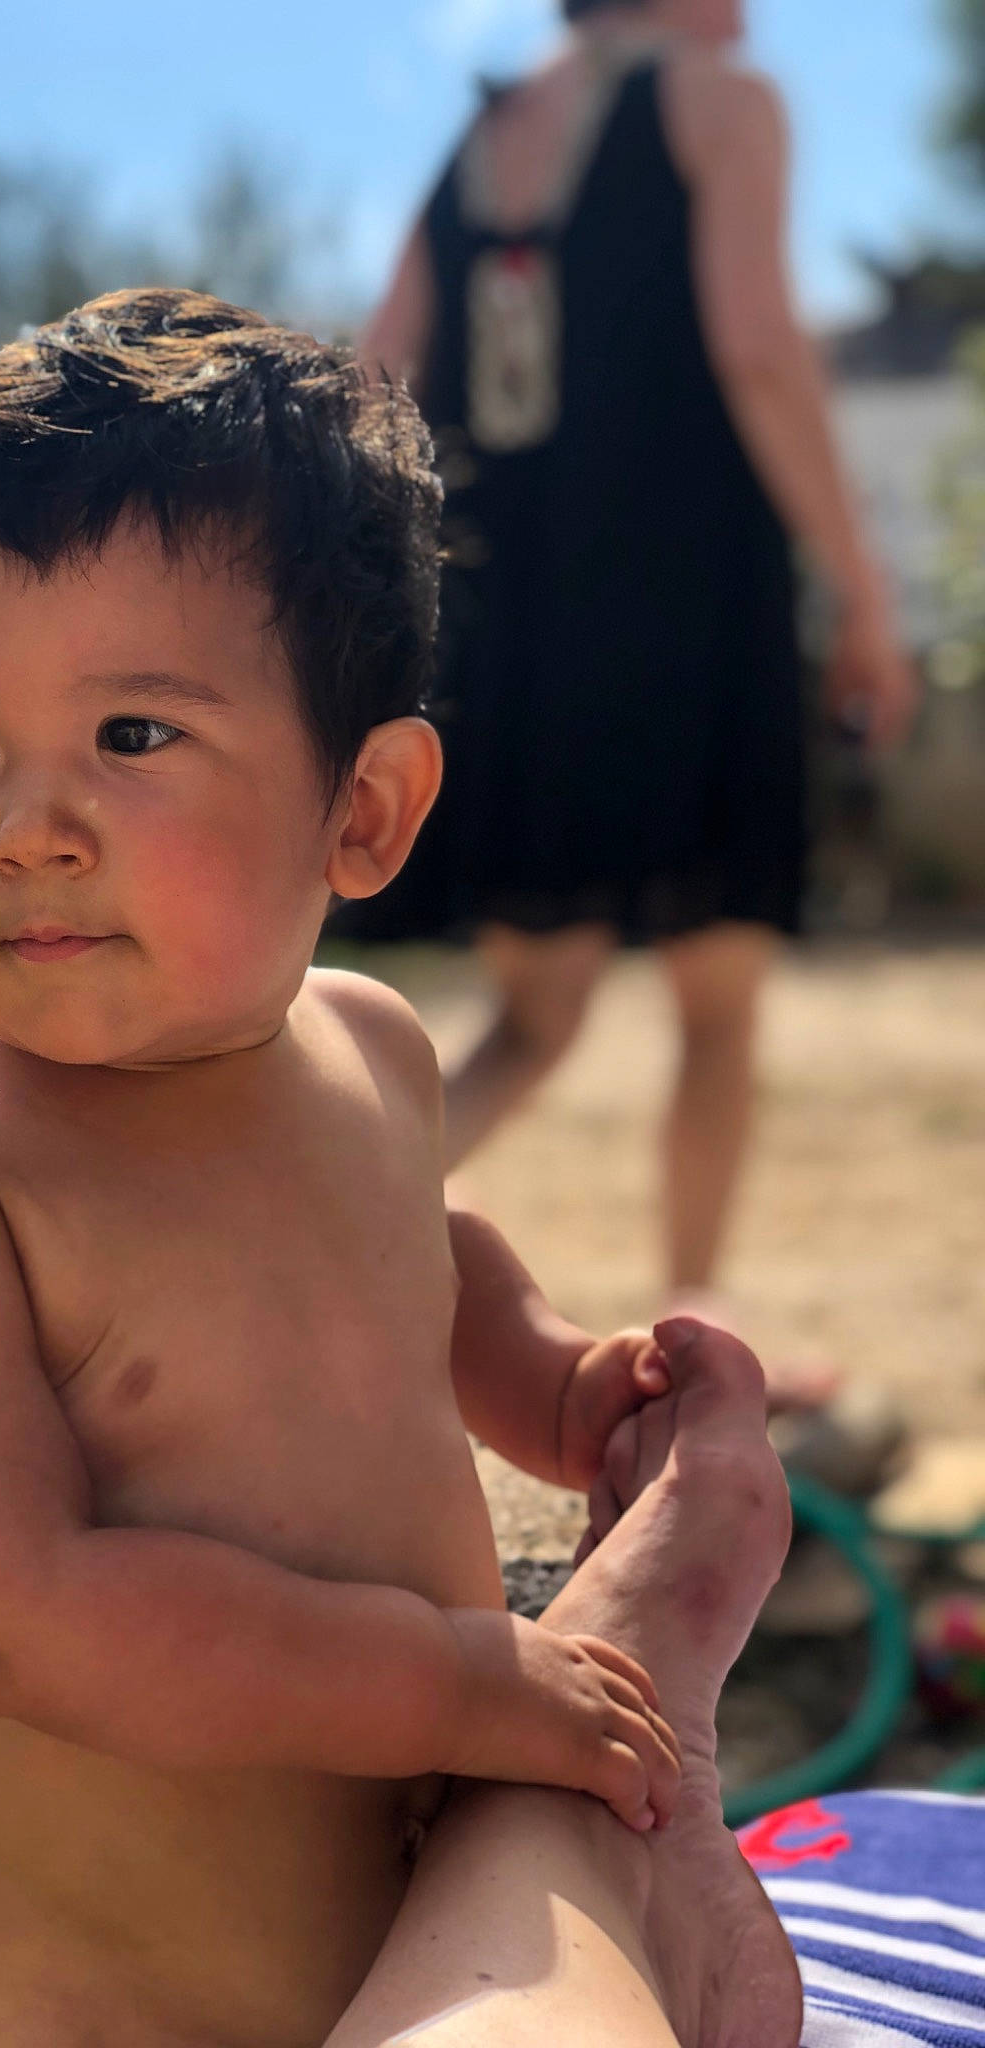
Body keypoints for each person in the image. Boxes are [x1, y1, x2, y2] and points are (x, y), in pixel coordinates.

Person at [0, 287, 798, 2048]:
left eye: (130, 737)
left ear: (367, 812)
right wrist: (447, 1677)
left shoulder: (372, 1047)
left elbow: (421, 1256)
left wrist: (554, 1380)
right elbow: (19, 1623)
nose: (27, 825)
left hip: (399, 1950)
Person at [355, 0, 917, 1326]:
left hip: (518, 628)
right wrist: (865, 594)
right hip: (688, 601)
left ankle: (293, 1255)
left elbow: (378, 373)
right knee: (717, 1002)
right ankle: (695, 1335)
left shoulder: (481, 130)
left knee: (534, 1015)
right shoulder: (723, 97)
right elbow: (761, 353)